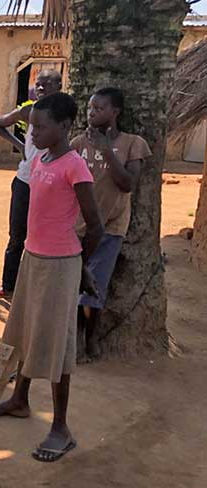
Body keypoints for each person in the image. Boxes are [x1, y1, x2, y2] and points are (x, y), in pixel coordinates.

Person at [0, 92, 104, 463]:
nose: (33, 132)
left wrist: (80, 266)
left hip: (60, 265)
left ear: (63, 127)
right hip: (33, 258)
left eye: (40, 127)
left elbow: (96, 226)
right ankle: (20, 399)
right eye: (32, 126)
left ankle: (61, 428)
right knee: (25, 332)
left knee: (57, 346)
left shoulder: (75, 167)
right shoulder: (40, 157)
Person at [71, 88, 151, 359]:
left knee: (95, 287)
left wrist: (106, 150)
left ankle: (89, 338)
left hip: (110, 228)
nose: (92, 113)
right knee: (72, 285)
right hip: (77, 226)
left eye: (99, 108)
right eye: (90, 108)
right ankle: (75, 338)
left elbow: (128, 184)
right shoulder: (79, 143)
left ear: (115, 112)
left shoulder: (132, 143)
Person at [0, 70, 63, 300]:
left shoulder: (62, 115)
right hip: (25, 182)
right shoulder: (28, 111)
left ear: (59, 86)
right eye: (37, 84)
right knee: (16, 236)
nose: (40, 88)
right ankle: (8, 287)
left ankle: (37, 289)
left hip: (50, 185)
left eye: (46, 84)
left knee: (43, 236)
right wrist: (20, 147)